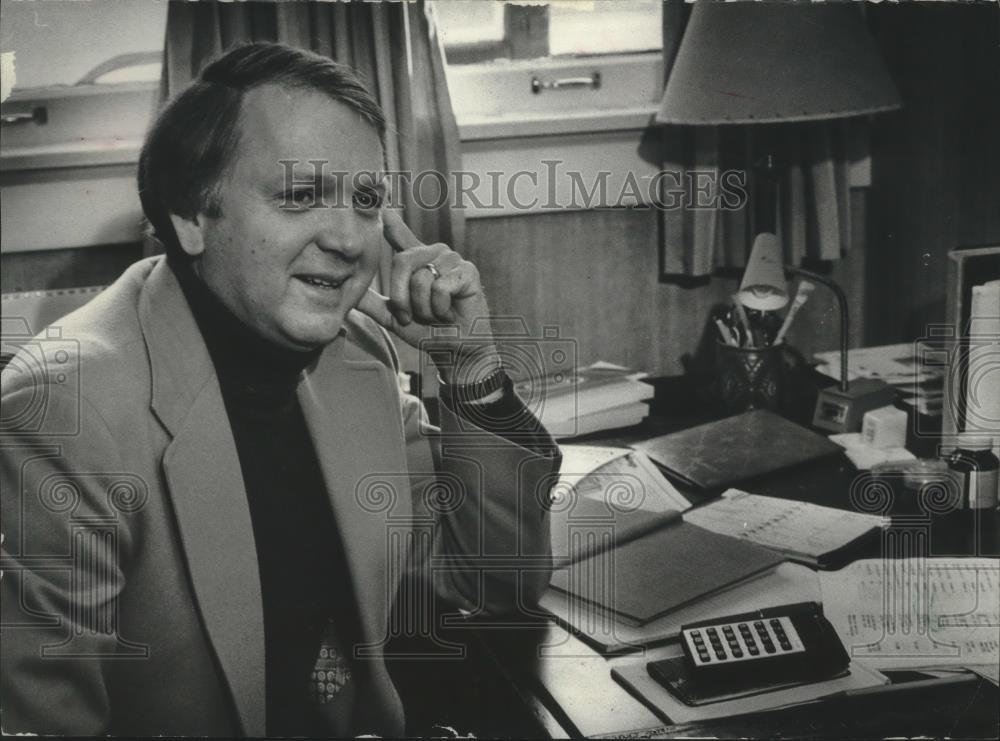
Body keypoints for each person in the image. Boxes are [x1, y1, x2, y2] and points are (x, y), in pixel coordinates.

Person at [0, 42, 558, 737]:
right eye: (300, 195)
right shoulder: (65, 410)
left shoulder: (359, 354)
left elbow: (488, 582)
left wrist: (471, 368)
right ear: (191, 215)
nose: (350, 241)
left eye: (366, 202)